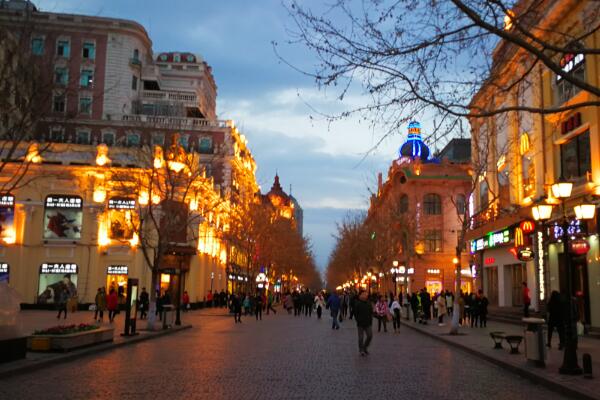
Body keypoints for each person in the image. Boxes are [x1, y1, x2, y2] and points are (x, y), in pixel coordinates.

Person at [354, 289, 373, 356]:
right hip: (360, 323)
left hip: (368, 323)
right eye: (364, 294)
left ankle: (365, 347)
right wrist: (358, 320)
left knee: (370, 335)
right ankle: (361, 349)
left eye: (366, 294)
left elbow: (371, 312)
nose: (366, 295)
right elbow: (355, 313)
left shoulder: (369, 303)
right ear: (361, 295)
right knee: (361, 338)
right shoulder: (357, 303)